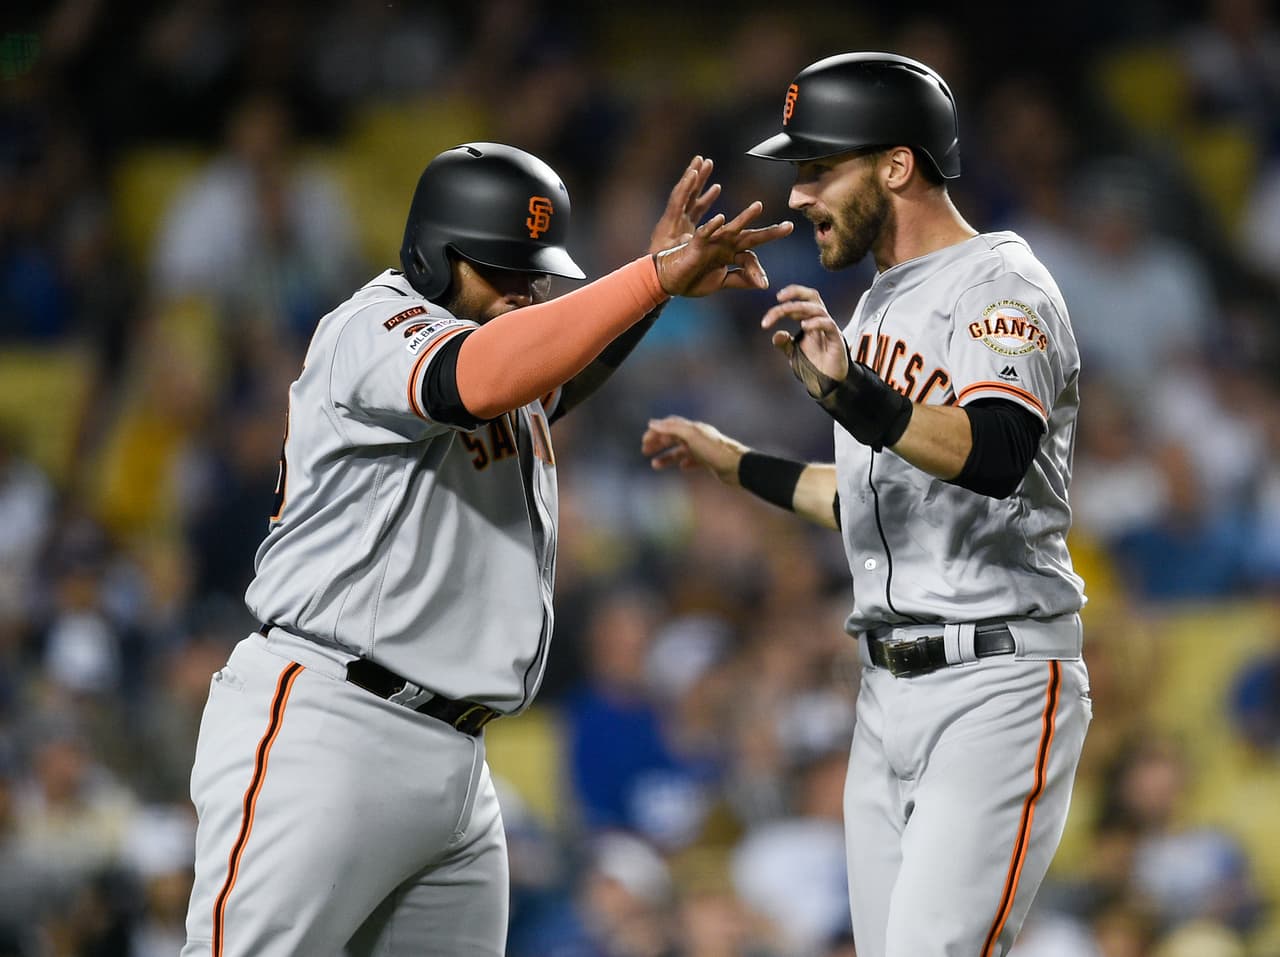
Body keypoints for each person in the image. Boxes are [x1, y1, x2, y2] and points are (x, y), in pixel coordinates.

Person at [180, 142, 792, 956]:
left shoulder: (504, 347)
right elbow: (476, 380)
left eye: (533, 272)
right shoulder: (374, 325)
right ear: (434, 253)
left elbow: (548, 377)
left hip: (460, 758)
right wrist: (650, 279)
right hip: (330, 725)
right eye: (499, 267)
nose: (521, 289)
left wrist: (654, 284)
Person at [642, 53, 1092, 957]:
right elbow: (866, 497)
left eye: (820, 169)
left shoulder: (1001, 284)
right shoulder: (878, 308)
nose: (800, 194)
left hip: (993, 681)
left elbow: (998, 453)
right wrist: (732, 463)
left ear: (896, 165)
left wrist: (853, 398)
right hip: (884, 691)